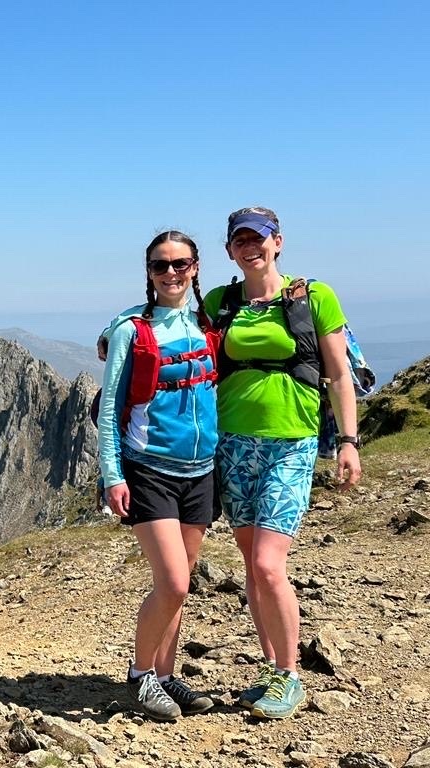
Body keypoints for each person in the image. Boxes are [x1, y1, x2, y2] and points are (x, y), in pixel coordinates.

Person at [203, 206, 362, 720]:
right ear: (230, 249)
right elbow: (173, 332)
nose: (251, 246)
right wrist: (115, 338)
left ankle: (290, 675)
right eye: (240, 240)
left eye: (260, 238)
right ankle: (272, 671)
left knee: (270, 566)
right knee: (252, 566)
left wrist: (348, 440)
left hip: (290, 442)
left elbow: (338, 374)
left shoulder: (313, 296)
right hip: (232, 443)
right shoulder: (220, 302)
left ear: (278, 242)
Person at [97, 230, 219, 721]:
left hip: (202, 470)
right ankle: (142, 676)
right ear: (148, 273)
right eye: (160, 266)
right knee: (173, 582)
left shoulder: (207, 322)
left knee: (182, 581)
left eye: (181, 264)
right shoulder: (132, 330)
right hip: (149, 470)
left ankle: (166, 677)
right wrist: (112, 474)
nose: (171, 273)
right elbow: (110, 408)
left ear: (195, 267)